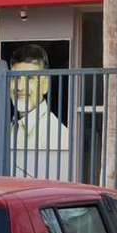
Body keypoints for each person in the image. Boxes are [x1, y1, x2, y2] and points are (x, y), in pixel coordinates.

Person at [9, 44, 70, 180]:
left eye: (30, 78)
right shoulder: (9, 129)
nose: (19, 87)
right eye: (15, 77)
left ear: (45, 84)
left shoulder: (57, 135)